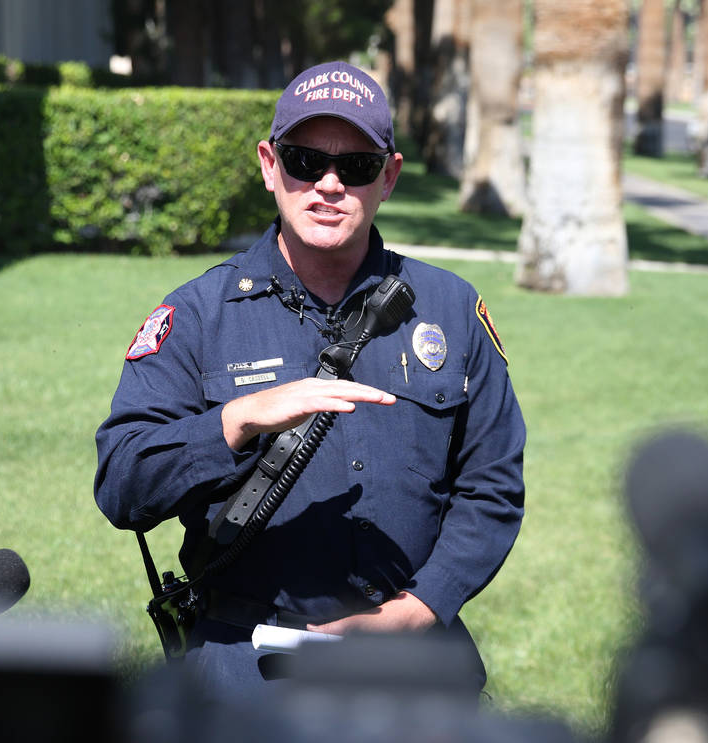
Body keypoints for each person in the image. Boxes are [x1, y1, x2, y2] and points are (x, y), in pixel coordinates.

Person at [94, 60, 526, 699]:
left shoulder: (451, 309)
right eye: (303, 160)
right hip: (245, 670)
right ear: (270, 165)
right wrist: (235, 421)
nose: (327, 184)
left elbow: (491, 486)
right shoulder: (198, 316)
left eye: (354, 166)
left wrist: (420, 607)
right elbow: (122, 487)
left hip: (411, 663)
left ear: (389, 177)